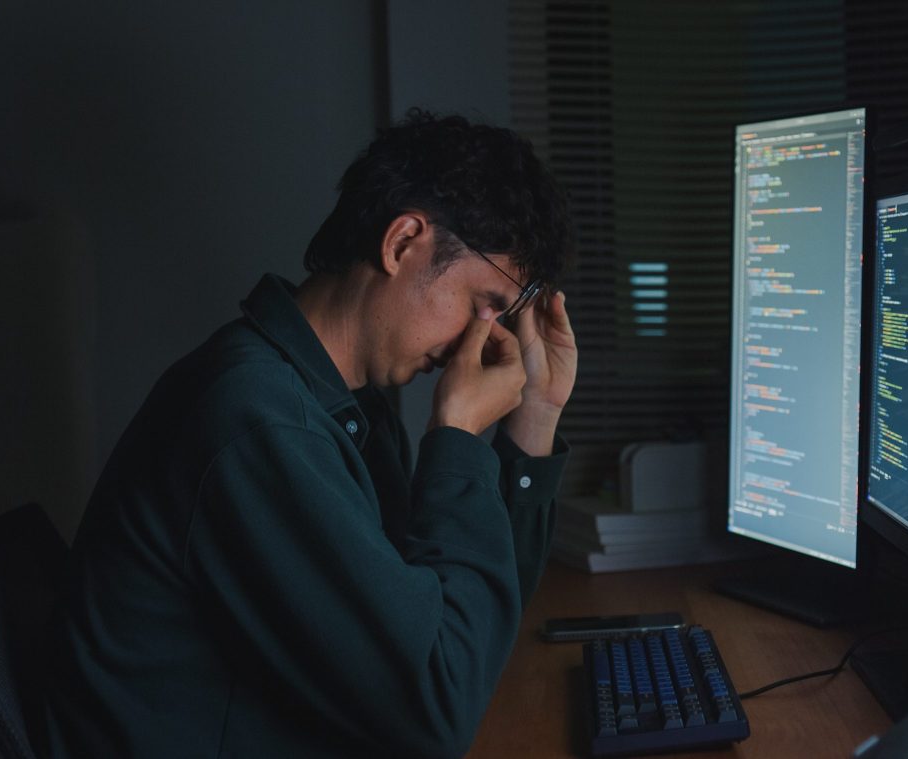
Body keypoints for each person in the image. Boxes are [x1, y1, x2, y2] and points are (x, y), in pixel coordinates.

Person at [44, 110, 576, 758]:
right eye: (484, 302)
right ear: (404, 241)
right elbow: (437, 709)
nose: (485, 337)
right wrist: (458, 437)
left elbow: (469, 638)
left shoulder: (346, 405)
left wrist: (536, 416)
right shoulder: (255, 422)